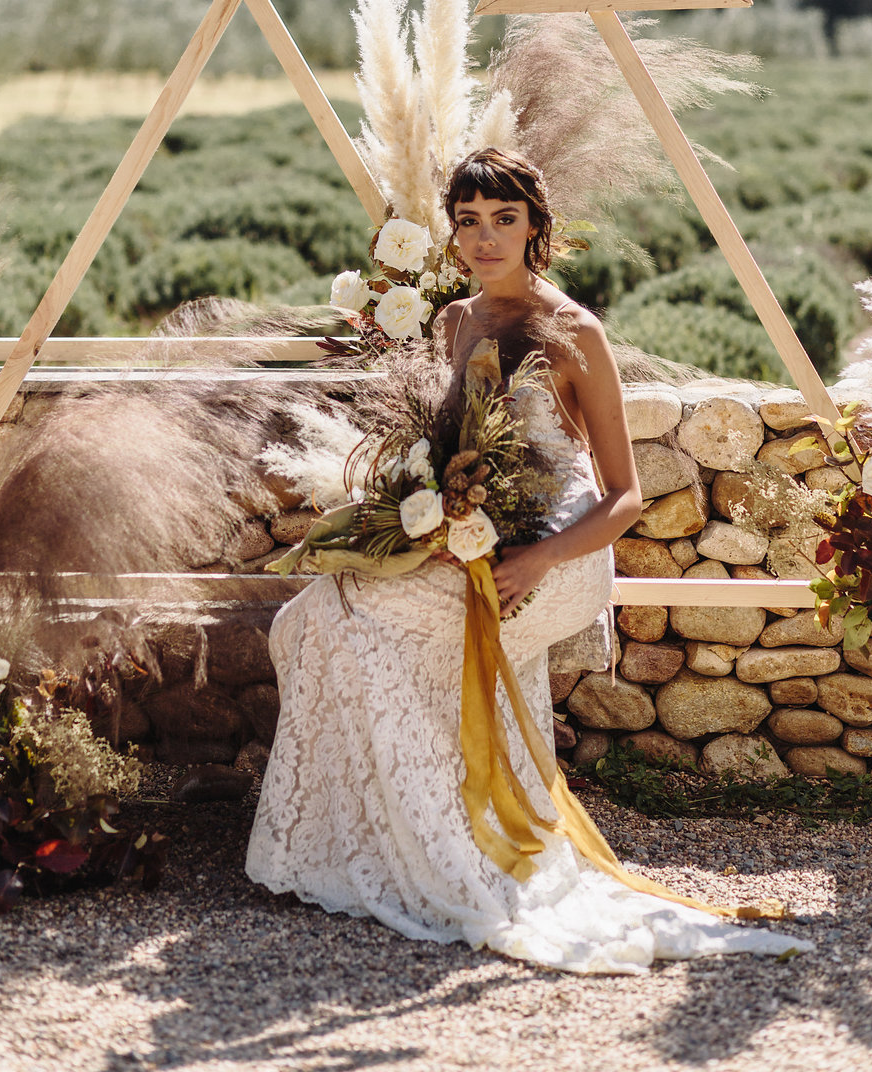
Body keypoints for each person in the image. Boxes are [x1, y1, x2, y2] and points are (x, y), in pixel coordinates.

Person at [246, 149, 807, 973]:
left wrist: (536, 559)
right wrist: (429, 517)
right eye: (468, 221)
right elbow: (457, 445)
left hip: (558, 554)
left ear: (537, 226)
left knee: (357, 630)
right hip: (472, 539)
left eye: (504, 219)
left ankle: (462, 855)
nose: (485, 237)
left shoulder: (576, 330)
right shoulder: (453, 321)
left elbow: (625, 497)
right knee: (312, 618)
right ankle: (380, 845)